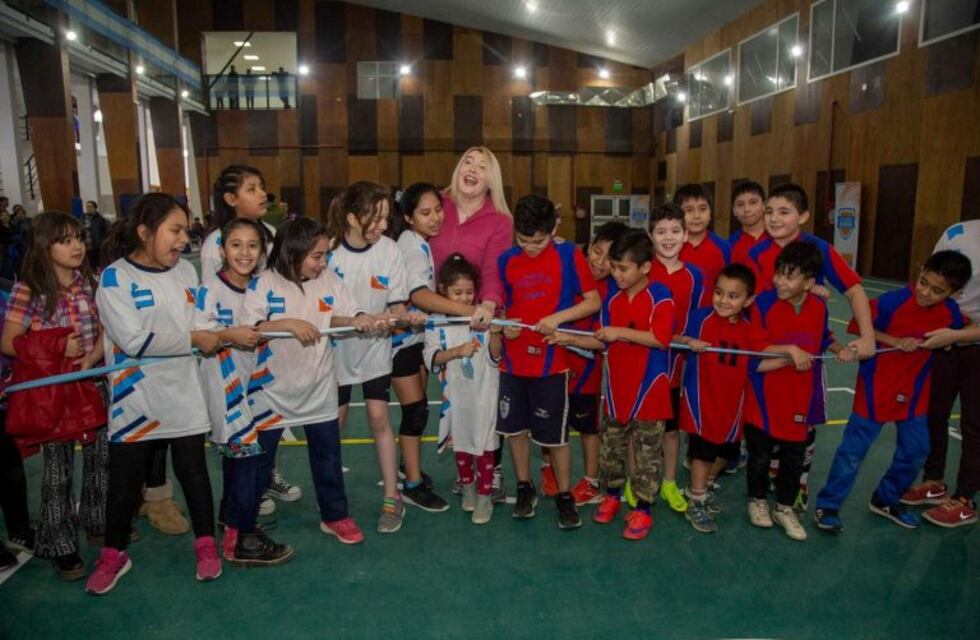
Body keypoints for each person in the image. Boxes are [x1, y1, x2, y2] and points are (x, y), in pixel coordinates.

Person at [87, 193, 224, 595]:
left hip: (183, 393)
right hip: (136, 401)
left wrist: (215, 332)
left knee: (194, 475)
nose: (184, 240)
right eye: (175, 230)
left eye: (185, 230)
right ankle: (114, 554)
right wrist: (196, 337)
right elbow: (133, 340)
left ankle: (205, 544)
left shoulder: (186, 273)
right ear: (145, 232)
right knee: (124, 484)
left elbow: (199, 319)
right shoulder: (115, 279)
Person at [241, 216, 383, 545]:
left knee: (328, 457)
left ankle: (335, 516)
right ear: (293, 253)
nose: (323, 263)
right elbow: (251, 329)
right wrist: (290, 323)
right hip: (272, 391)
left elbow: (342, 314)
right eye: (317, 256)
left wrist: (359, 319)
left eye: (325, 255)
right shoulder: (263, 283)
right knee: (260, 462)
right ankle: (243, 523)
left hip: (319, 387)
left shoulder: (329, 278)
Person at [815, 251, 973, 533]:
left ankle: (886, 498)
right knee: (852, 453)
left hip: (915, 395)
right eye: (923, 282)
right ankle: (828, 505)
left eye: (937, 291)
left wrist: (953, 337)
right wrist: (895, 340)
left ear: (955, 293)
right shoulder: (894, 301)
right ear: (921, 269)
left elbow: (970, 328)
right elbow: (857, 326)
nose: (925, 292)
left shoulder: (950, 312)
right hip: (876, 390)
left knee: (916, 450)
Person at [748, 183, 876, 510]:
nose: (774, 219)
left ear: (803, 216)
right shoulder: (754, 252)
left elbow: (855, 290)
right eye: (770, 212)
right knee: (764, 421)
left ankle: (798, 482)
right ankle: (771, 477)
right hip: (769, 353)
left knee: (803, 422)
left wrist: (868, 336)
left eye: (784, 212)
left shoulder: (818, 249)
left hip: (806, 358)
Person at [0, 212, 106, 580]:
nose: (77, 245)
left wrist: (90, 359)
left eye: (79, 237)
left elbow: (107, 329)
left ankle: (97, 520)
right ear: (44, 246)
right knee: (58, 469)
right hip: (51, 391)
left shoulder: (90, 283)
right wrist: (58, 346)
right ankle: (59, 542)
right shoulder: (29, 288)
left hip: (92, 380)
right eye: (65, 240)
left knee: (101, 457)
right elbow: (9, 341)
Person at [549, 230, 674, 540]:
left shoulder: (661, 296)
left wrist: (620, 332)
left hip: (650, 392)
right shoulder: (613, 299)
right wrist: (570, 338)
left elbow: (660, 339)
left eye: (622, 268)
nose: (615, 273)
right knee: (611, 452)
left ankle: (643, 509)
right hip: (616, 393)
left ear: (645, 267)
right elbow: (601, 340)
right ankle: (613, 496)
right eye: (613, 266)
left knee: (647, 457)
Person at [326, 181, 426, 533]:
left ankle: (392, 496)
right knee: (333, 422)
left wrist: (406, 315)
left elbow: (397, 304)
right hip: (335, 351)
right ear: (352, 218)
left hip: (374, 348)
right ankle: (333, 504)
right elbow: (319, 307)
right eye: (377, 218)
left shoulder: (389, 251)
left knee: (378, 415)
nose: (384, 226)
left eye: (386, 218)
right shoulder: (330, 253)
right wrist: (351, 321)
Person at [678, 263, 808, 533]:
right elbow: (673, 336)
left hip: (732, 407)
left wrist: (788, 357)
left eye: (733, 296)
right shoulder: (699, 319)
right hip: (702, 403)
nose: (723, 300)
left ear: (748, 301)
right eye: (719, 293)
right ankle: (697, 500)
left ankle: (701, 488)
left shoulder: (749, 331)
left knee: (726, 452)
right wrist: (688, 341)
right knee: (701, 454)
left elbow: (756, 363)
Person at [496, 194, 600, 529]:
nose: (529, 247)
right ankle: (524, 486)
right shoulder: (505, 261)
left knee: (556, 436)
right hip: (513, 364)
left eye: (537, 241)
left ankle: (565, 494)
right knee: (515, 431)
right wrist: (504, 326)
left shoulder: (570, 256)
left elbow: (592, 301)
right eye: (522, 240)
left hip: (552, 363)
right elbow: (499, 309)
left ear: (553, 229)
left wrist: (557, 318)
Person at [196, 218, 293, 566]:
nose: (244, 253)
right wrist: (229, 335)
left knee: (258, 461)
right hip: (227, 390)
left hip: (264, 388)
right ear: (222, 249)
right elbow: (199, 336)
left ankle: (234, 523)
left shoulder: (265, 286)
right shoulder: (209, 289)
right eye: (236, 244)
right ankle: (240, 539)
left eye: (253, 245)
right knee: (244, 461)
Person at [200, 165, 296, 513]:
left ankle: (263, 478)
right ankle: (238, 507)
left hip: (263, 357)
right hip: (230, 363)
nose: (262, 195)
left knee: (266, 426)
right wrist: (231, 332)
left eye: (262, 187)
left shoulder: (271, 233)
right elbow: (213, 311)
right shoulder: (214, 247)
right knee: (237, 434)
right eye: (252, 189)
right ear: (230, 199)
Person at [743, 242, 854, 542]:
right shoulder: (762, 304)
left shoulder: (818, 306)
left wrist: (840, 348)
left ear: (809, 282)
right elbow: (754, 347)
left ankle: (784, 507)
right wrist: (789, 350)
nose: (780, 281)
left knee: (794, 457)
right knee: (760, 456)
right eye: (779, 273)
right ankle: (757, 501)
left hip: (798, 395)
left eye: (789, 276)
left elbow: (823, 338)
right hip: (763, 394)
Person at [429, 146, 514, 496]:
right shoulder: (437, 205)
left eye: (483, 166)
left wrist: (489, 306)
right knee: (455, 398)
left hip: (477, 320)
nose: (473, 169)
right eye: (468, 161)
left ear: (491, 180)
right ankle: (462, 470)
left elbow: (495, 271)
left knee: (486, 400)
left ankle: (490, 468)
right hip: (434, 317)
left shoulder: (499, 221)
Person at [388, 183, 478, 511]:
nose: (435, 218)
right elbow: (418, 295)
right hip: (400, 340)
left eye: (438, 210)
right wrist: (469, 311)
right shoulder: (411, 245)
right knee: (415, 411)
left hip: (415, 337)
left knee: (418, 408)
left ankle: (407, 469)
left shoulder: (420, 242)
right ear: (409, 217)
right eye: (425, 213)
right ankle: (411, 483)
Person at [540, 221, 628, 505]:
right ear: (588, 246)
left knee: (588, 427)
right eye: (596, 251)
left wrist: (572, 340)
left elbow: (605, 341)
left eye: (609, 258)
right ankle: (549, 469)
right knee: (549, 419)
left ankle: (591, 481)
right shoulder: (570, 265)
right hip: (552, 360)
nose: (599, 262)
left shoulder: (614, 292)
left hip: (586, 370)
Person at [902, 221, 980, 528]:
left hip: (973, 342)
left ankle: (965, 498)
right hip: (943, 337)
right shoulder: (957, 233)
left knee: (974, 425)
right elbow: (930, 281)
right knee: (934, 413)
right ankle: (934, 480)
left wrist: (957, 335)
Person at [424, 254, 502, 524]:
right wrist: (457, 351)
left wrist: (499, 332)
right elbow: (432, 358)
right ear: (443, 290)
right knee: (461, 441)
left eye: (470, 292)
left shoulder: (483, 317)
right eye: (458, 292)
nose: (466, 298)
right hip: (455, 395)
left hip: (484, 394)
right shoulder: (436, 321)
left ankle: (484, 496)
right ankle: (468, 487)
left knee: (484, 442)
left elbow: (496, 356)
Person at [647, 202, 708, 514]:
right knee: (640, 427)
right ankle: (638, 478)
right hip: (644, 363)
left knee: (670, 430)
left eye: (675, 231)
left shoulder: (695, 276)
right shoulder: (644, 269)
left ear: (686, 235)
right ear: (651, 236)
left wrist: (687, 344)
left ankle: (669, 481)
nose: (668, 238)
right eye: (661, 232)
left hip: (676, 365)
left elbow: (697, 318)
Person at [674, 184, 731, 290]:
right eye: (689, 210)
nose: (697, 216)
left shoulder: (725, 248)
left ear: (710, 213)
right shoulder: (669, 247)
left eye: (703, 209)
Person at [729, 181, 768, 267]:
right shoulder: (729, 246)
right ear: (734, 211)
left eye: (753, 202)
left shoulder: (779, 238)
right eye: (740, 204)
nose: (747, 209)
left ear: (764, 205)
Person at [84, 201, 109, 271]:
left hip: (96, 247)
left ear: (95, 208)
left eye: (90, 207)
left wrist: (101, 243)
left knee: (97, 265)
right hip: (86, 247)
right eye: (87, 207)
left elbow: (106, 233)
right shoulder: (82, 218)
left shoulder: (100, 219)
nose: (88, 208)